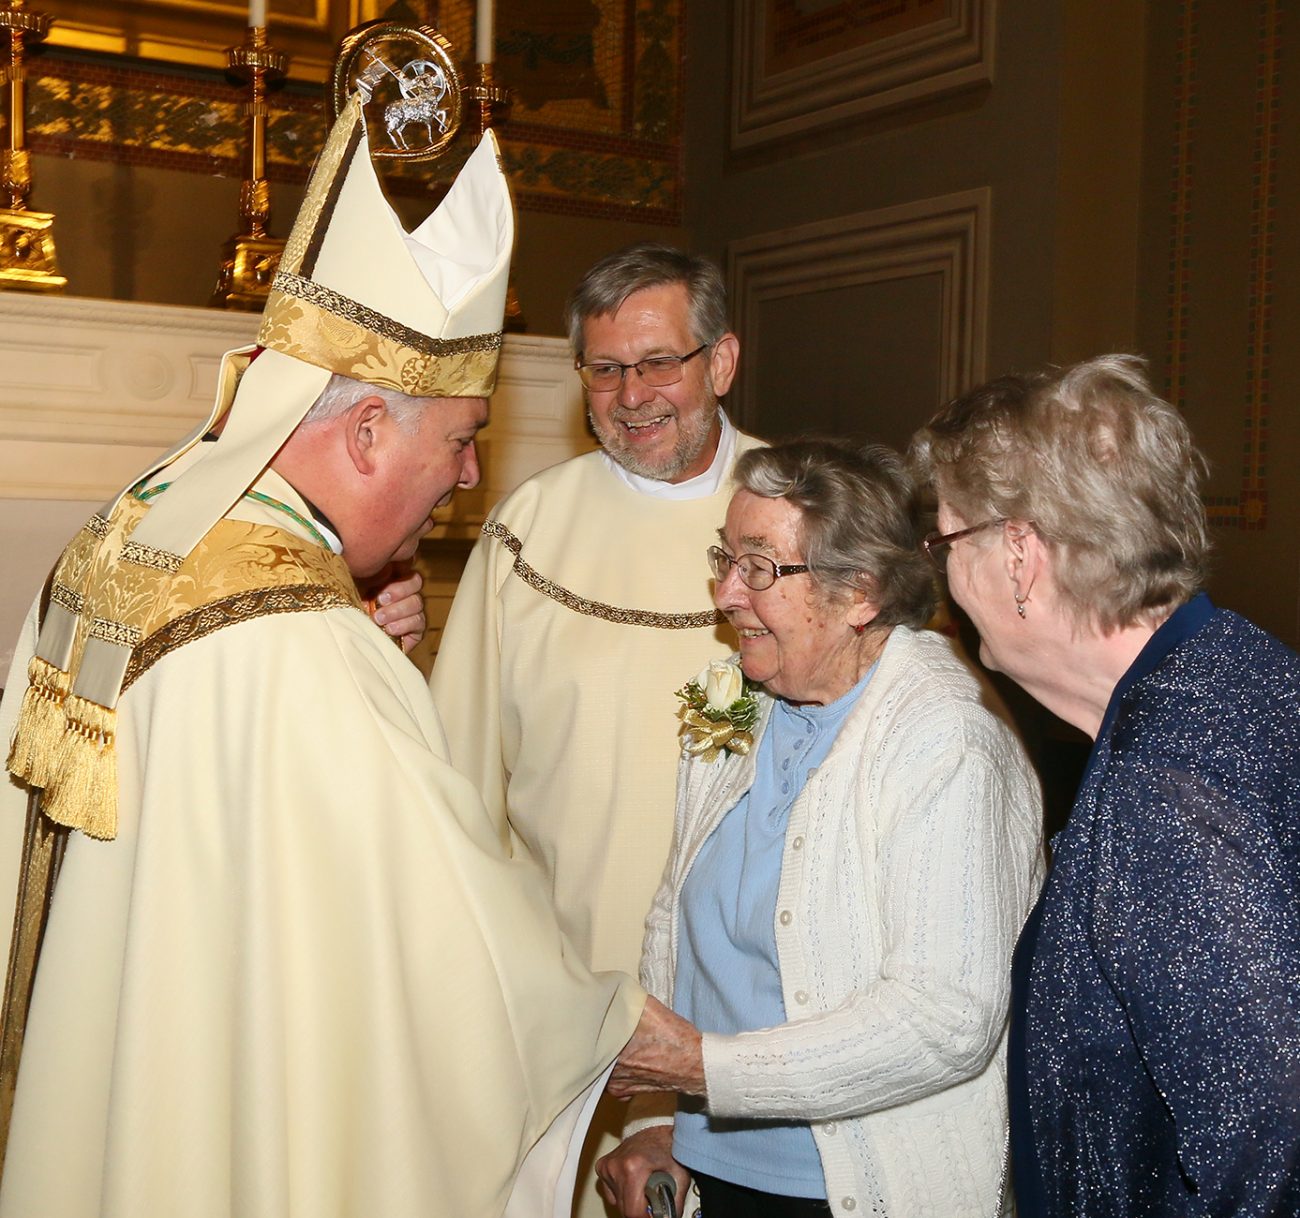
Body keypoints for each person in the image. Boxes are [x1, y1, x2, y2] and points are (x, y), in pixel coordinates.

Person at [0, 97, 664, 1218]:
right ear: (364, 434)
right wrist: (605, 1022)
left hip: (104, 1066)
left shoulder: (138, 528)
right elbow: (442, 947)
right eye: (458, 442)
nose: (464, 481)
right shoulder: (299, 649)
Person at [596, 440, 1045, 1218]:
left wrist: (703, 1069)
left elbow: (944, 1021)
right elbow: (675, 914)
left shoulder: (947, 747)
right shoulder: (739, 698)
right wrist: (665, 1118)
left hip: (853, 1189)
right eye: (725, 558)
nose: (727, 594)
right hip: (715, 1170)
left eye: (761, 568)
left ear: (859, 594)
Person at [909, 354, 1300, 1217]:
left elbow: (1272, 1149)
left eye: (945, 540)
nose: (944, 579)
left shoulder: (1165, 792)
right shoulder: (1240, 668)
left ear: (1019, 556)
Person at [429, 243, 763, 1211]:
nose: (632, 396)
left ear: (722, 363)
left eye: (659, 362)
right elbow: (461, 778)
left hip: (738, 1009)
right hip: (555, 989)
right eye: (605, 370)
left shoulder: (799, 519)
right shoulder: (530, 529)